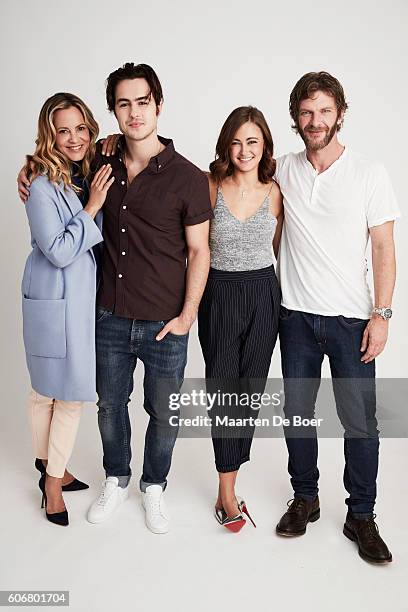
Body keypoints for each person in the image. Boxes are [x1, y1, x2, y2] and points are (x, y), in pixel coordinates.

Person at [274, 71, 399, 563]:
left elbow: (385, 247)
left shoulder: (369, 172)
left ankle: (361, 515)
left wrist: (382, 314)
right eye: (307, 112)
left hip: (351, 321)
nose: (315, 120)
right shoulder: (282, 168)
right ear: (296, 119)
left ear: (340, 113)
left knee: (360, 423)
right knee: (298, 416)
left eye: (325, 110)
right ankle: (305, 498)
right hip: (296, 318)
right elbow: (221, 173)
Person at [21, 92, 114, 526]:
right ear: (49, 135)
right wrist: (92, 207)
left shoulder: (88, 169)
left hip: (77, 300)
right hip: (52, 295)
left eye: (80, 128)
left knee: (58, 392)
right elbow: (57, 251)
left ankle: (48, 468)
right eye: (63, 130)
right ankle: (53, 484)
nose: (74, 137)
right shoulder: (40, 184)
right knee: (60, 393)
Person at [198, 107, 283, 531]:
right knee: (224, 389)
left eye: (252, 141)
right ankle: (227, 491)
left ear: (264, 144)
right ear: (226, 145)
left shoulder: (276, 190)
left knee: (248, 393)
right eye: (237, 141)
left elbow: (283, 251)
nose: (244, 150)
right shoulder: (209, 184)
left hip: (264, 294)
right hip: (220, 293)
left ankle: (228, 481)